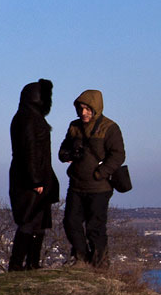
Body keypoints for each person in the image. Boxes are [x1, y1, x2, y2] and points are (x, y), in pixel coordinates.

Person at [58, 88, 125, 268]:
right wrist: (70, 153)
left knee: (95, 228)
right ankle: (81, 258)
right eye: (80, 108)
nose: (83, 112)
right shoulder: (74, 126)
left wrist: (100, 173)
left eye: (87, 109)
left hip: (99, 188)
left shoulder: (109, 128)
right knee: (71, 223)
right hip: (76, 186)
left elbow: (118, 155)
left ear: (96, 108)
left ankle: (100, 264)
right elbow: (62, 152)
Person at [7, 79, 58, 270]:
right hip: (31, 179)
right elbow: (29, 150)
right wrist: (35, 179)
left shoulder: (28, 116)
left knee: (38, 222)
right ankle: (18, 264)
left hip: (35, 176)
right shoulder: (28, 118)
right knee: (29, 221)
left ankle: (32, 263)